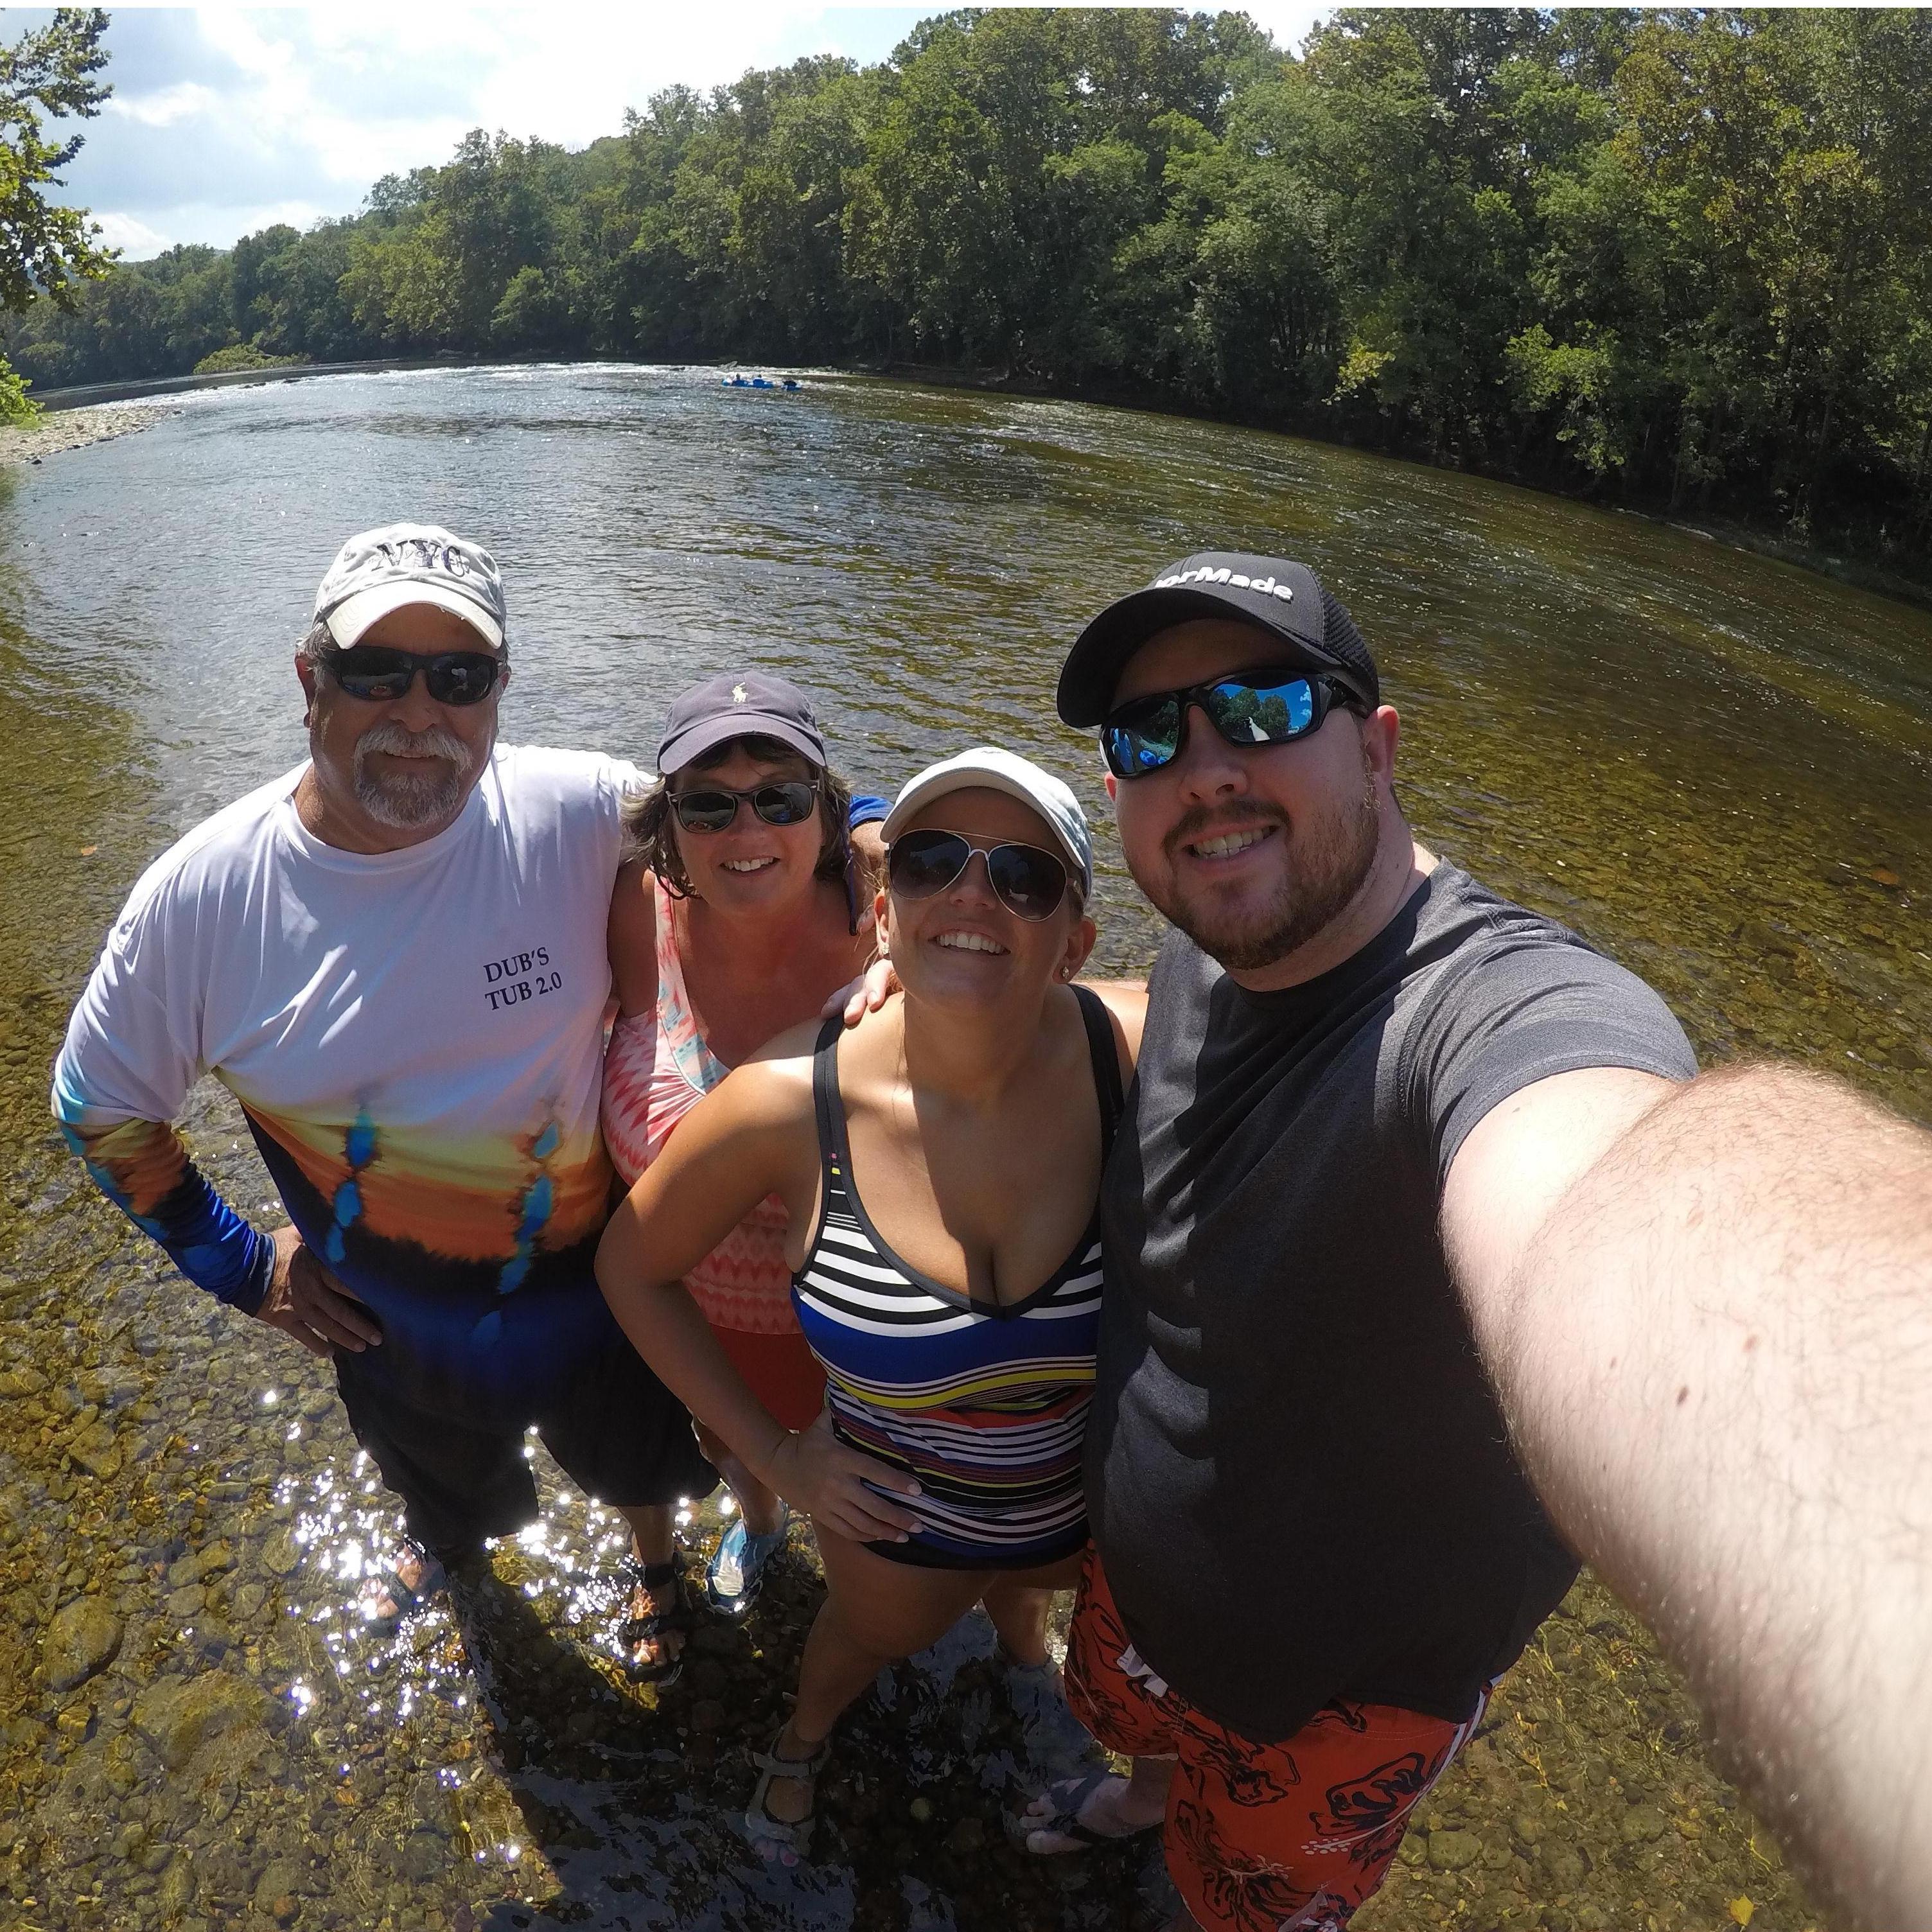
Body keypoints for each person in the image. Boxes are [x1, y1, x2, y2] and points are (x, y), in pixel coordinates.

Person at [1006, 551, 1932, 1932]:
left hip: (1335, 1711)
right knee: (1146, 1761)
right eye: (1151, 734)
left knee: (1239, 1908)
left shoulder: (1496, 1014)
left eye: (1261, 707)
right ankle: (1142, 1795)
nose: (1204, 768)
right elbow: (1185, 1022)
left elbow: (1622, 1200)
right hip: (1136, 1607)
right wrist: (976, 1016)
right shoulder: (1218, 928)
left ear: (1378, 748)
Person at [51, 523, 733, 1649]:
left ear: (499, 691)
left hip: (603, 1292)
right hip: (391, 1326)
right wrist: (244, 1265)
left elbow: (741, 807)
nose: (421, 713)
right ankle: (447, 1549)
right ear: (310, 680)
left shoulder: (574, 812)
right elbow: (101, 1104)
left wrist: (868, 843)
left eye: (458, 677)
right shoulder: (204, 903)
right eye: (379, 674)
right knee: (436, 1473)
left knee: (633, 1461)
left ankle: (655, 1564)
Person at [597, 748, 1143, 1862]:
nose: (973, 898)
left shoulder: (1132, 1050)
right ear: (885, 913)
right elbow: (631, 1268)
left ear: (1077, 943)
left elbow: (1337, 998)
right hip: (899, 1525)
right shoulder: (788, 1103)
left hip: (1079, 1523)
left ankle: (1025, 1659)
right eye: (936, 862)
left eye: (1024, 878)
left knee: (1027, 1624)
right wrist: (776, 1453)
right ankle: (797, 1744)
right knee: (849, 1653)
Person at [599, 669, 889, 1665]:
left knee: (871, 1549)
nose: (745, 828)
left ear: (826, 811)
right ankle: (760, 1521)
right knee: (736, 1460)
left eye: (779, 797)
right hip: (692, 1322)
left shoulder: (894, 924)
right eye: (710, 805)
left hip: (857, 1344)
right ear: (671, 826)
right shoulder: (637, 913)